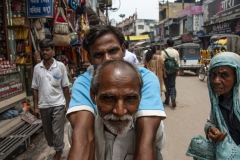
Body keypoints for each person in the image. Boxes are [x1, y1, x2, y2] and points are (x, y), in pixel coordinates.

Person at [66, 25, 166, 160]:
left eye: (113, 51)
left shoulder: (145, 79)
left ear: (123, 50)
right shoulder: (84, 83)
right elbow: (83, 136)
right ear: (90, 58)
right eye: (98, 55)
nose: (107, 59)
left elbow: (145, 137)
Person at [88, 60, 166, 160]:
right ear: (93, 95)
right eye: (109, 98)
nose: (120, 111)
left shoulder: (155, 127)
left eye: (130, 98)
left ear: (140, 97)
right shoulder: (85, 127)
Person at [186, 52, 240, 159]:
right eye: (213, 74)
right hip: (225, 148)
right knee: (196, 145)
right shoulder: (218, 101)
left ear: (237, 76)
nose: (215, 81)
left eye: (224, 75)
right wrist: (211, 129)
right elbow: (211, 122)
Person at [31, 39, 70, 160]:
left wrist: (67, 105)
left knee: (58, 130)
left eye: (47, 50)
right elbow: (35, 88)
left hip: (58, 103)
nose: (45, 52)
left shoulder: (60, 66)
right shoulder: (37, 68)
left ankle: (59, 151)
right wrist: (36, 106)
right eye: (42, 50)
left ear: (53, 50)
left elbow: (65, 86)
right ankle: (55, 145)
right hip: (44, 105)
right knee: (48, 134)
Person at [161, 39, 180, 109]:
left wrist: (163, 72)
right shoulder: (176, 52)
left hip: (166, 71)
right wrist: (177, 71)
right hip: (173, 71)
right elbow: (178, 62)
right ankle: (173, 97)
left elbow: (162, 63)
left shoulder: (163, 52)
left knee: (166, 86)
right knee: (172, 85)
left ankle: (167, 100)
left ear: (167, 44)